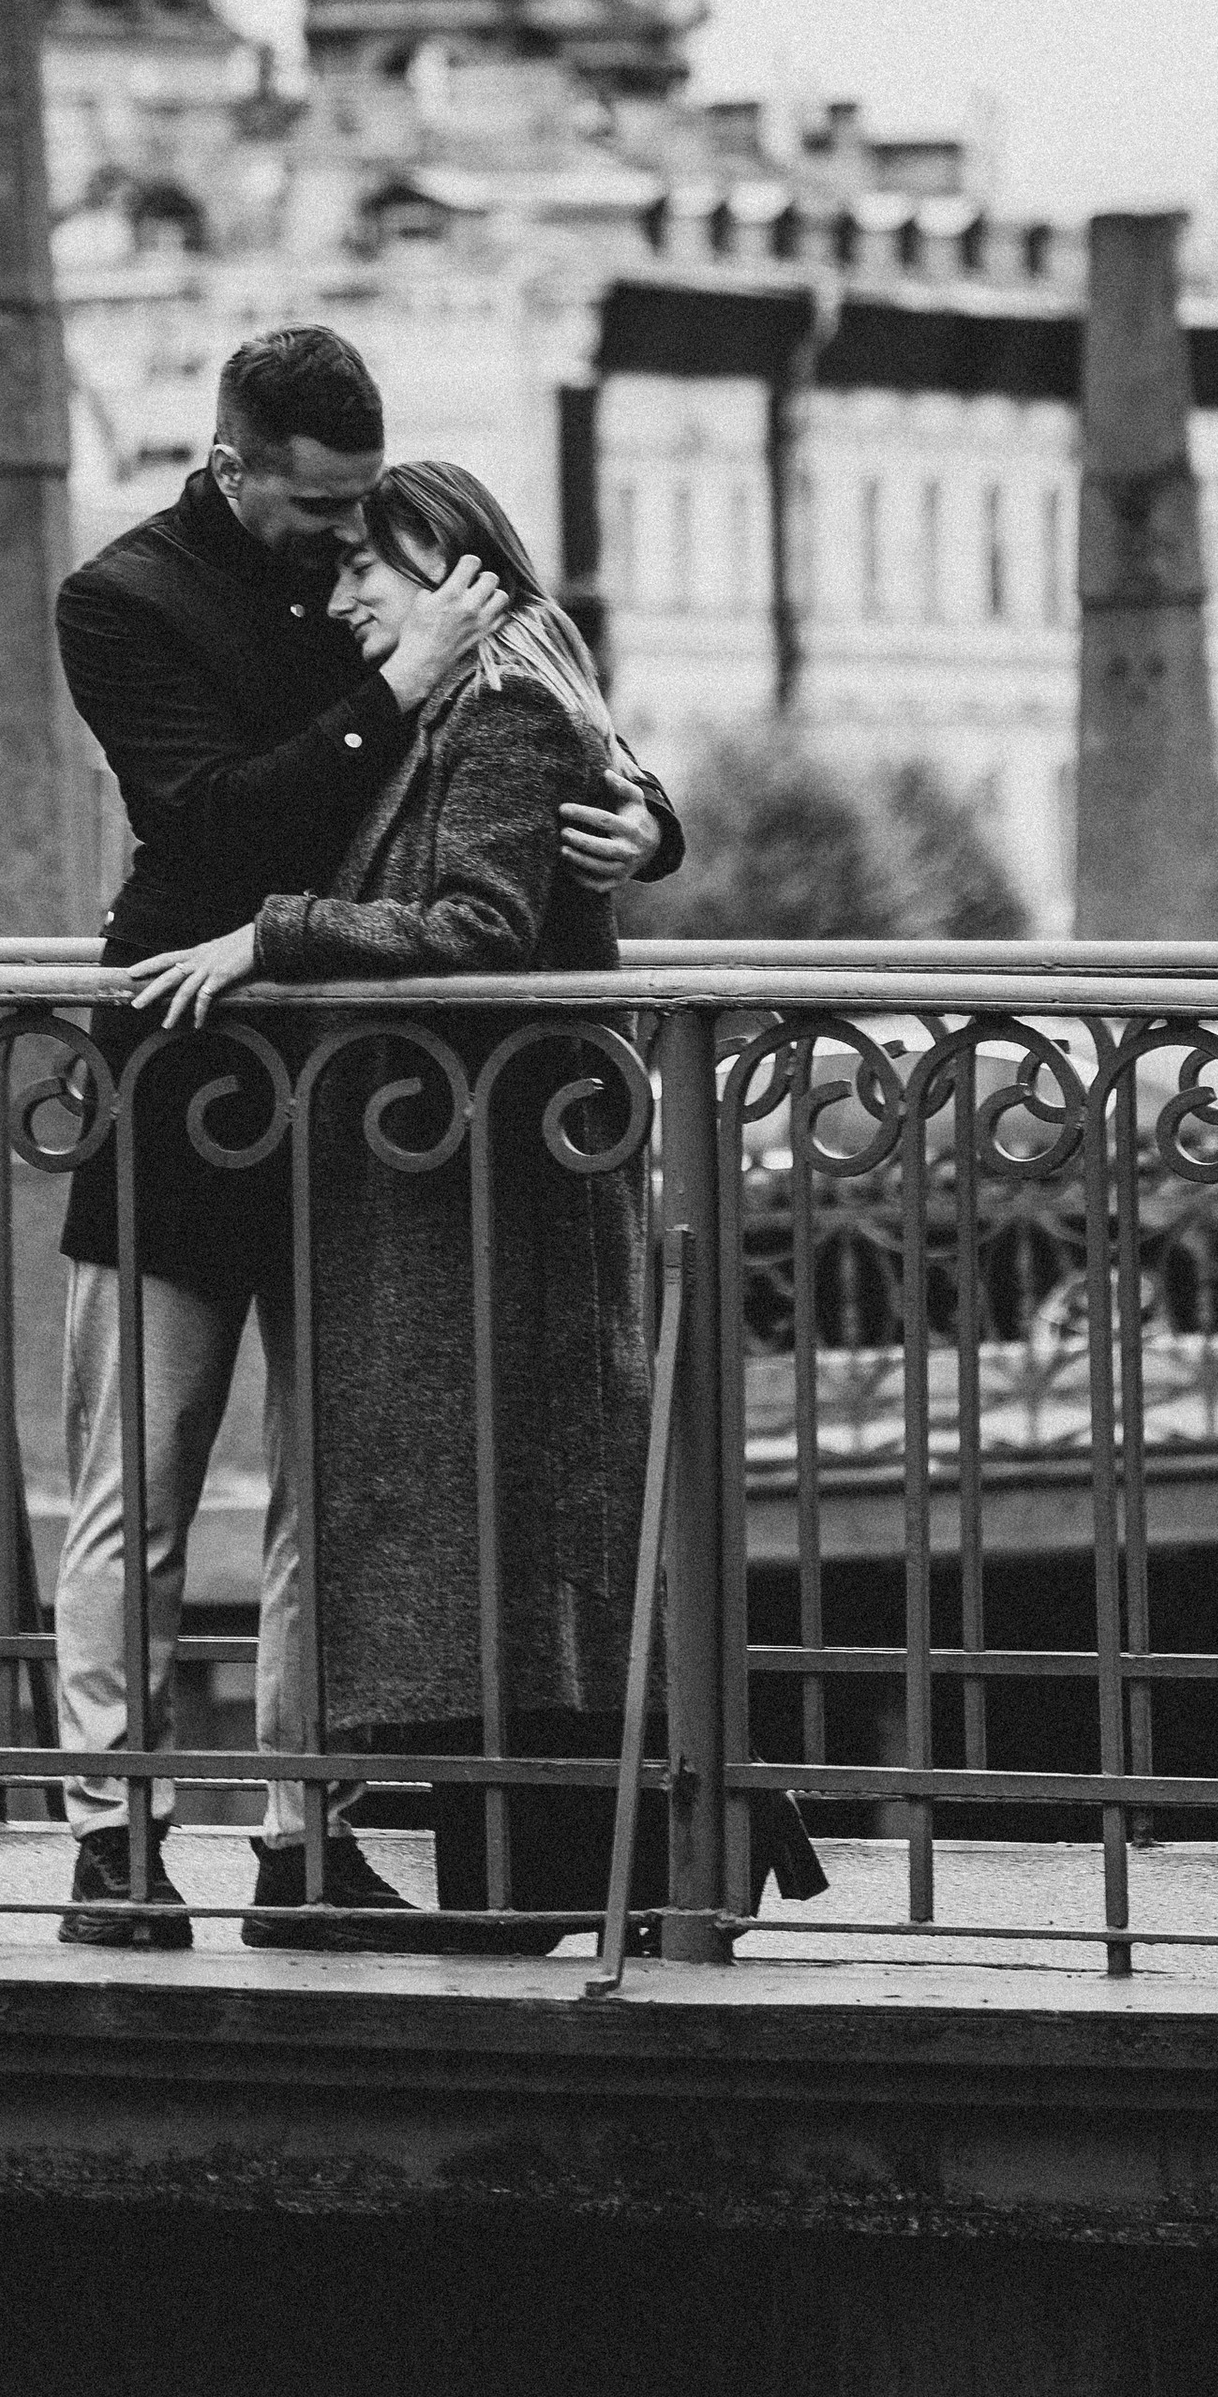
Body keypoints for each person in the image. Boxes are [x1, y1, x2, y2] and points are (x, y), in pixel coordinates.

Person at [129, 459, 827, 1944]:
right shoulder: (462, 697)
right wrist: (642, 803)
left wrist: (269, 938)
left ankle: (620, 1868)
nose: (338, 595)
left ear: (454, 567)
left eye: (370, 568)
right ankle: (598, 1870)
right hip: (461, 1182)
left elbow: (475, 923)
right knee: (517, 1529)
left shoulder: (501, 707)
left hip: (508, 1188)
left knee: (533, 1524)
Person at [51, 332, 679, 1948]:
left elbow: (516, 725)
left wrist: (645, 814)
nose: (342, 548)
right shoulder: (122, 601)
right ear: (230, 461)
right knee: (143, 1484)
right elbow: (214, 819)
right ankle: (111, 1838)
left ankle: (299, 1834)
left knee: (334, 1499)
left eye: (360, 519)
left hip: (364, 1118)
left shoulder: (402, 585)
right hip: (191, 1078)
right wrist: (388, 688)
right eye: (316, 509)